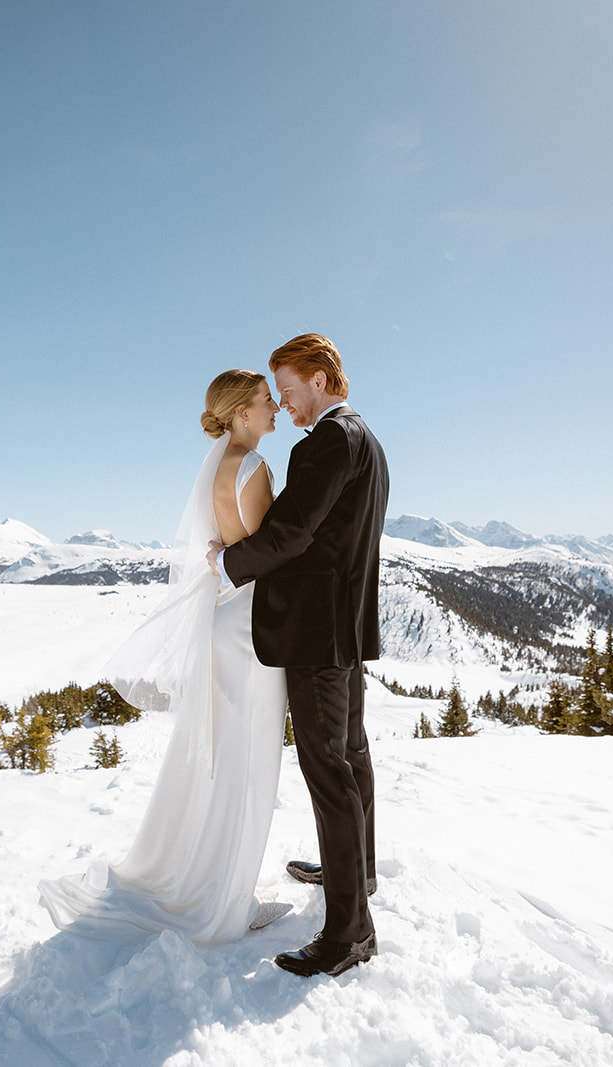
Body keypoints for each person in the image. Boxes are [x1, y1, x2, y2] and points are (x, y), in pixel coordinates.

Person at [37, 369, 294, 943]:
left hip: (226, 619)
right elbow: (272, 556)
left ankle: (206, 879)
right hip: (253, 623)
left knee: (220, 757)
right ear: (242, 413)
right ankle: (227, 900)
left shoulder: (221, 464)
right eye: (264, 399)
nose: (275, 406)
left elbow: (234, 547)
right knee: (248, 764)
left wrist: (224, 554)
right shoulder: (253, 468)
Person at [208, 333, 389, 978]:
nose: (285, 407)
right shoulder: (365, 438)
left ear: (319, 377)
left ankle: (348, 932)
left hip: (317, 634)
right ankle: (355, 872)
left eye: (287, 390)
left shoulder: (330, 442)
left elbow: (291, 533)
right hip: (344, 628)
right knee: (351, 756)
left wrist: (230, 563)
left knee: (328, 770)